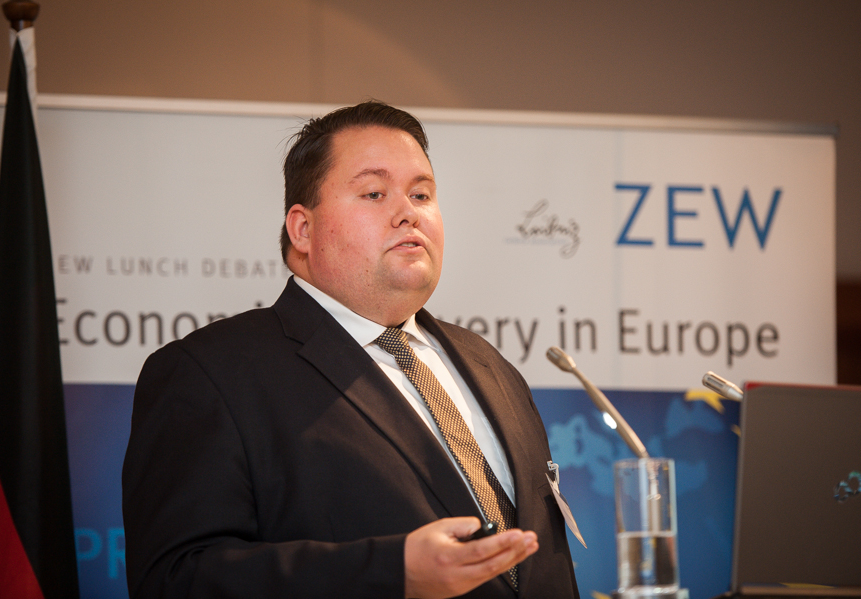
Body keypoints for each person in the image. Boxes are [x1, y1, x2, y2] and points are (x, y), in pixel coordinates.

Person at [122, 101, 579, 598]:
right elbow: (175, 581)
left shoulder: (490, 366)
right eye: (375, 193)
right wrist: (392, 572)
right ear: (303, 229)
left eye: (421, 194)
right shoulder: (210, 373)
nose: (409, 213)